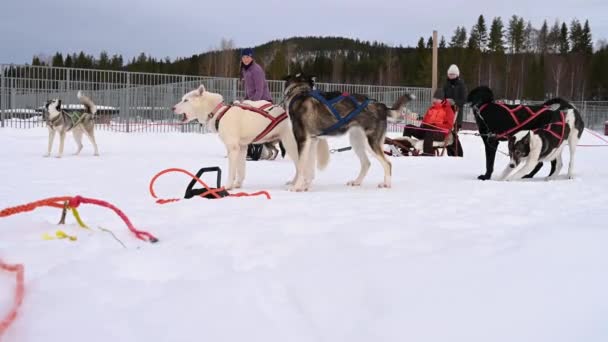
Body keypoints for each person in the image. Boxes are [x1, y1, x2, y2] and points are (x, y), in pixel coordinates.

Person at [239, 48, 274, 161]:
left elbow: (259, 90)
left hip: (263, 101)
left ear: (252, 58)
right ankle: (247, 150)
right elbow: (248, 88)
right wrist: (244, 100)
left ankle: (258, 151)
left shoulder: (256, 70)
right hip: (253, 100)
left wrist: (253, 104)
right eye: (244, 57)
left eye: (248, 57)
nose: (245, 59)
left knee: (255, 125)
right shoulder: (245, 69)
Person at [401, 88, 456, 156]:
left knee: (430, 131)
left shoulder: (448, 110)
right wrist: (422, 125)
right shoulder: (431, 108)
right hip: (426, 130)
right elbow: (425, 121)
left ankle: (428, 154)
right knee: (408, 127)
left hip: (440, 133)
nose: (435, 100)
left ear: (442, 100)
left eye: (437, 99)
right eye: (434, 98)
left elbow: (449, 126)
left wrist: (435, 125)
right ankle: (404, 151)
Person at [442, 64, 467, 130]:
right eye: (450, 74)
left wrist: (454, 102)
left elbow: (464, 99)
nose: (451, 76)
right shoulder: (446, 85)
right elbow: (442, 96)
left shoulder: (461, 85)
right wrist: (445, 101)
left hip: (457, 113)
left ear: (457, 75)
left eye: (453, 74)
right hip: (446, 113)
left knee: (454, 133)